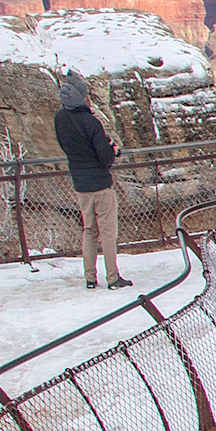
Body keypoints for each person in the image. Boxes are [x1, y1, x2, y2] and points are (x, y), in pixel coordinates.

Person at [52, 72, 131, 291]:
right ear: (81, 97)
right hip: (100, 184)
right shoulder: (90, 122)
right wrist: (112, 149)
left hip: (80, 183)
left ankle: (90, 277)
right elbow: (105, 156)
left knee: (89, 230)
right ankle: (113, 278)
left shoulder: (60, 119)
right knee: (107, 232)